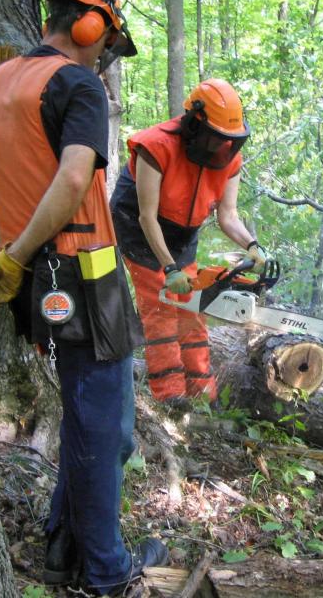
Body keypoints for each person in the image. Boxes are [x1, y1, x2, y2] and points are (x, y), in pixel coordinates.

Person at [0, 0, 167, 595]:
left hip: (32, 273)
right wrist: (19, 254)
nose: (106, 57)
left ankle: (64, 546)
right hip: (79, 270)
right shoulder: (76, 83)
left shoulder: (4, 76)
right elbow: (74, 177)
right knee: (105, 425)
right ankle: (108, 573)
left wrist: (14, 256)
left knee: (94, 420)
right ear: (90, 28)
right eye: (107, 43)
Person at [110, 79, 269, 410]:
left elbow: (228, 216)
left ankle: (201, 392)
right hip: (140, 226)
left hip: (184, 232)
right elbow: (146, 217)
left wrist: (253, 246)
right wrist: (168, 268)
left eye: (228, 140)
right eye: (216, 138)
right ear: (195, 123)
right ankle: (171, 397)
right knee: (163, 308)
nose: (221, 146)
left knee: (192, 308)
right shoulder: (156, 147)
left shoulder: (228, 159)